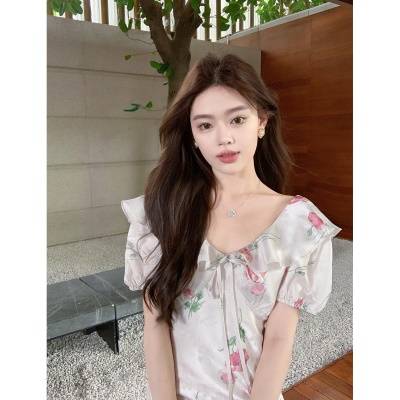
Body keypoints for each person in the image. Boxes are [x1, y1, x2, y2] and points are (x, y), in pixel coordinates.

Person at [121, 53, 341, 400]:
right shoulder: (160, 214)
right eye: (205, 125)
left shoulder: (299, 225)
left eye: (237, 119)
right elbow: (155, 322)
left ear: (262, 121)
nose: (223, 138)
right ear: (192, 136)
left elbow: (279, 338)